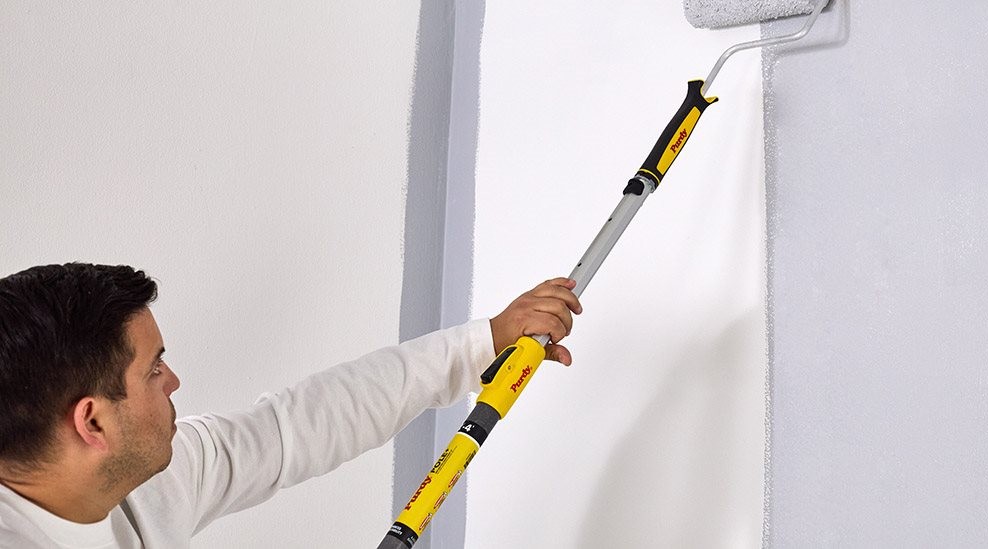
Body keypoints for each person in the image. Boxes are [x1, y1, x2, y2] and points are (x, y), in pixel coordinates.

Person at [0, 262, 582, 548]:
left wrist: (484, 342)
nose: (174, 380)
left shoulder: (140, 481)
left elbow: (296, 427)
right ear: (93, 421)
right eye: (153, 369)